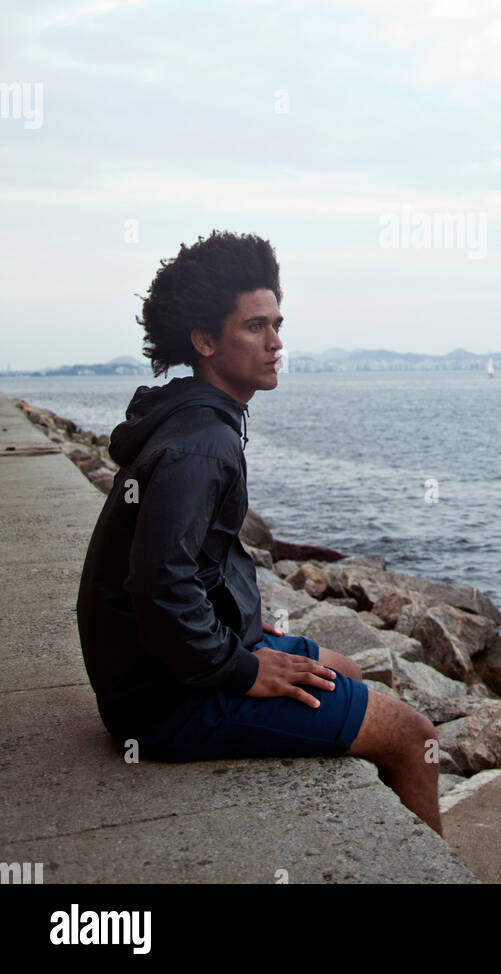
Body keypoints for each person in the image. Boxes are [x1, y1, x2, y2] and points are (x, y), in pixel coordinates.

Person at [75, 229, 442, 834]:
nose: (276, 344)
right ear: (204, 341)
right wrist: (242, 667)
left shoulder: (196, 417)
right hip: (165, 700)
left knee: (345, 670)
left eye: (278, 324)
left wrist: (243, 628)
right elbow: (157, 584)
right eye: (255, 328)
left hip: (165, 668)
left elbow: (193, 567)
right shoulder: (202, 444)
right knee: (414, 735)